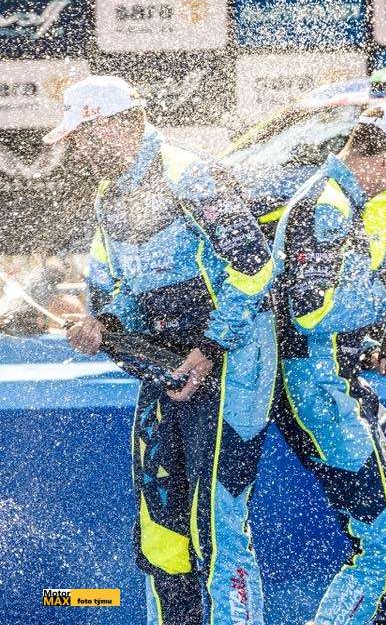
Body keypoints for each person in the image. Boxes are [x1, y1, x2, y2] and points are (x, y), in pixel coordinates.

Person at [53, 76, 277, 624]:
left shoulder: (188, 172)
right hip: (167, 367)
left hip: (231, 360)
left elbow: (255, 266)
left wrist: (210, 346)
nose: (78, 150)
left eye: (82, 136)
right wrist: (101, 325)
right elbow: (117, 292)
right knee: (161, 532)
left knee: (215, 527)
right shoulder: (109, 197)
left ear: (115, 125)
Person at [272, 102, 386, 625]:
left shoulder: (340, 201)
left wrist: (372, 351)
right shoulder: (327, 204)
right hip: (317, 393)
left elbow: (325, 314)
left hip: (340, 381)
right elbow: (311, 311)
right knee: (381, 546)